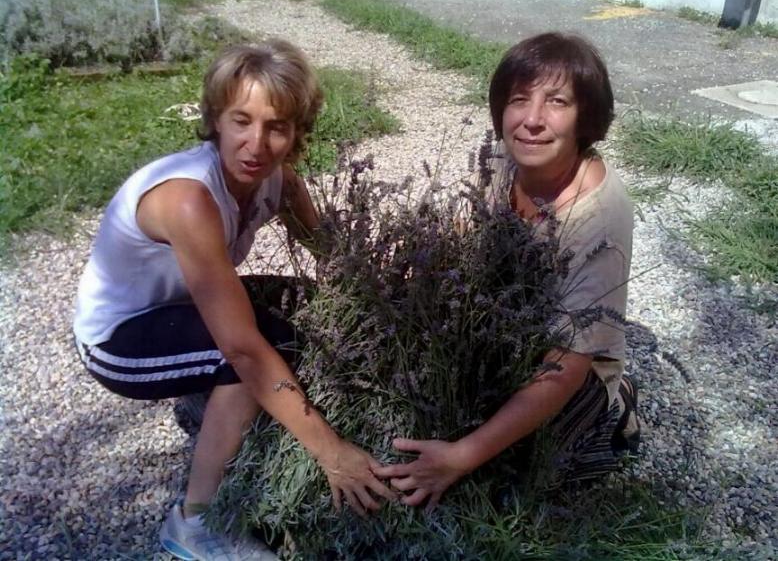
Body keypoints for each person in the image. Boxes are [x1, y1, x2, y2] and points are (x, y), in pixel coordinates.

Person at [73, 40, 395, 560]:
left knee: (295, 307)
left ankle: (215, 413)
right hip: (117, 340)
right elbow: (244, 349)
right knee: (249, 353)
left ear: (296, 133)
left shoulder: (278, 182)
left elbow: (334, 258)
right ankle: (195, 523)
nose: (256, 144)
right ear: (216, 120)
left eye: (277, 126)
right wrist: (332, 452)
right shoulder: (188, 199)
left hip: (177, 310)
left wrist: (386, 304)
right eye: (241, 120)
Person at [376, 32, 640, 508]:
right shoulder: (506, 155)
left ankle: (617, 406)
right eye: (519, 100)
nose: (533, 120)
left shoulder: (596, 221)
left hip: (569, 364)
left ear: (586, 118)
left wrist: (461, 456)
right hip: (501, 325)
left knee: (514, 487)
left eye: (557, 102)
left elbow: (563, 365)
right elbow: (463, 235)